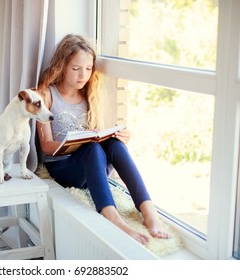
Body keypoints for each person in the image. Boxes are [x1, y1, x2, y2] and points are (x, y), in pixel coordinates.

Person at [36, 34, 170, 245]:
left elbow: (96, 135)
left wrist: (116, 135)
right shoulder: (46, 95)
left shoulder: (89, 95)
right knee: (91, 149)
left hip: (91, 164)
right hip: (63, 167)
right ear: (62, 65)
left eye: (88, 69)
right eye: (76, 68)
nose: (83, 75)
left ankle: (148, 211)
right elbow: (46, 146)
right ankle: (113, 218)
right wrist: (79, 144)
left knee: (113, 144)